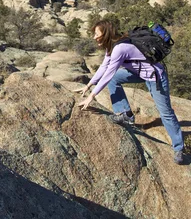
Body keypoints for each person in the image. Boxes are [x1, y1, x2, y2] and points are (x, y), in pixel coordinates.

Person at [75, 20, 185, 164]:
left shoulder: (120, 48)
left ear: (106, 33)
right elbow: (103, 67)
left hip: (155, 77)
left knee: (165, 112)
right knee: (115, 78)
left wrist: (91, 96)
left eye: (97, 34)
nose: (95, 37)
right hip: (139, 73)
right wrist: (88, 85)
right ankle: (125, 114)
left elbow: (108, 73)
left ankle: (179, 148)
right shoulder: (112, 46)